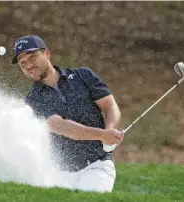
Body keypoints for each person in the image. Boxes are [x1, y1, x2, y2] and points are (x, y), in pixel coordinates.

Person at [11, 35, 124, 192]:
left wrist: (110, 131)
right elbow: (60, 126)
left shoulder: (83, 76)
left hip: (96, 165)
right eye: (23, 63)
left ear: (47, 54)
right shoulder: (32, 100)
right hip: (59, 175)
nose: (28, 65)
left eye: (32, 57)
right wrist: (102, 134)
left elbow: (109, 105)